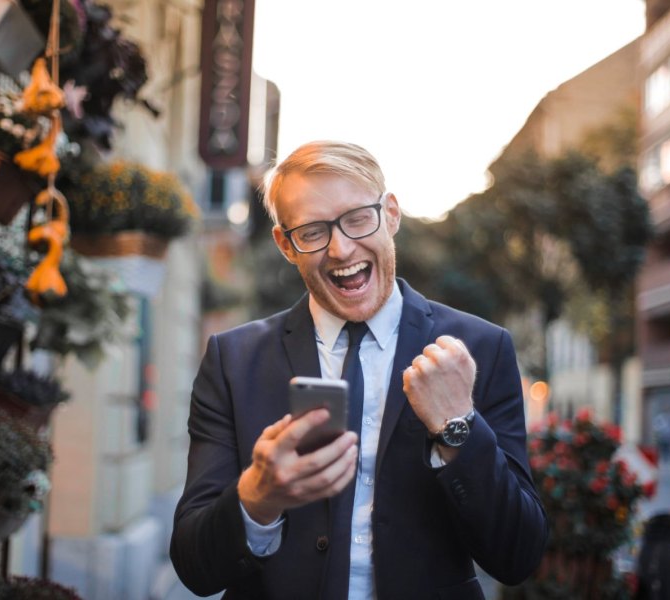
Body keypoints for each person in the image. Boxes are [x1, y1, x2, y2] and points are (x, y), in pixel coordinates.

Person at [170, 141, 548, 599]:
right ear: (285, 245)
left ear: (390, 214)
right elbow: (195, 567)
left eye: (357, 219)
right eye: (312, 231)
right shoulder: (232, 360)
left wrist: (458, 427)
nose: (340, 248)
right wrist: (257, 496)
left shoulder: (481, 350)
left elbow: (517, 556)